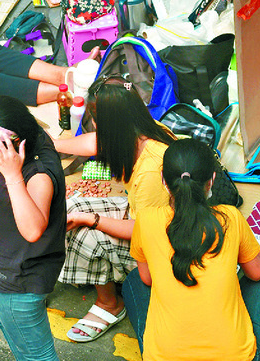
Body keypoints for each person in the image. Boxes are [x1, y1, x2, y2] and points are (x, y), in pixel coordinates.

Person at [122, 138, 260, 361]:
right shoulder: (230, 217)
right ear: (212, 180)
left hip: (165, 357)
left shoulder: (146, 220)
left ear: (163, 180)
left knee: (134, 279)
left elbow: (147, 279)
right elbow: (256, 273)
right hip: (234, 357)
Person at [48, 79, 176, 342]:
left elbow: (145, 231)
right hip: (143, 215)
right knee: (69, 209)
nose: (94, 126)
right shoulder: (144, 129)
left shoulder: (152, 170)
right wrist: (53, 144)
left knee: (85, 236)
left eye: (95, 120)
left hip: (164, 243)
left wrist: (92, 219)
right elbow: (94, 143)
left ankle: (110, 305)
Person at [0, 94, 66, 361]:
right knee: (15, 336)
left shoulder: (37, 174)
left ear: (14, 143)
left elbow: (33, 230)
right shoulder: (30, 134)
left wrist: (12, 175)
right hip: (5, 265)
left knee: (36, 355)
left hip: (19, 277)